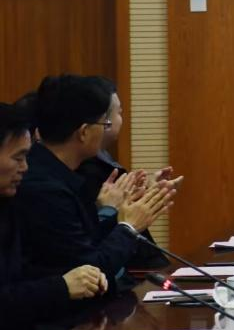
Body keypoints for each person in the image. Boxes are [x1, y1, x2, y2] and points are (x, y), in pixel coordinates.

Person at [14, 75, 175, 285]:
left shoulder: (57, 172)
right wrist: (129, 226)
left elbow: (86, 242)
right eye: (104, 123)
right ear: (84, 132)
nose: (107, 129)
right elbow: (91, 270)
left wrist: (122, 214)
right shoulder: (45, 189)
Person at [1, 103, 108, 330]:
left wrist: (80, 279)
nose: (25, 168)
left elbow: (20, 278)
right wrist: (61, 286)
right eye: (18, 158)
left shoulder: (7, 205)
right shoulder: (39, 192)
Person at [75, 78, 179, 268]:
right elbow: (101, 239)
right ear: (104, 121)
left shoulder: (100, 158)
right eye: (119, 112)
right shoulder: (86, 168)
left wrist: (145, 196)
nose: (120, 119)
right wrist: (118, 212)